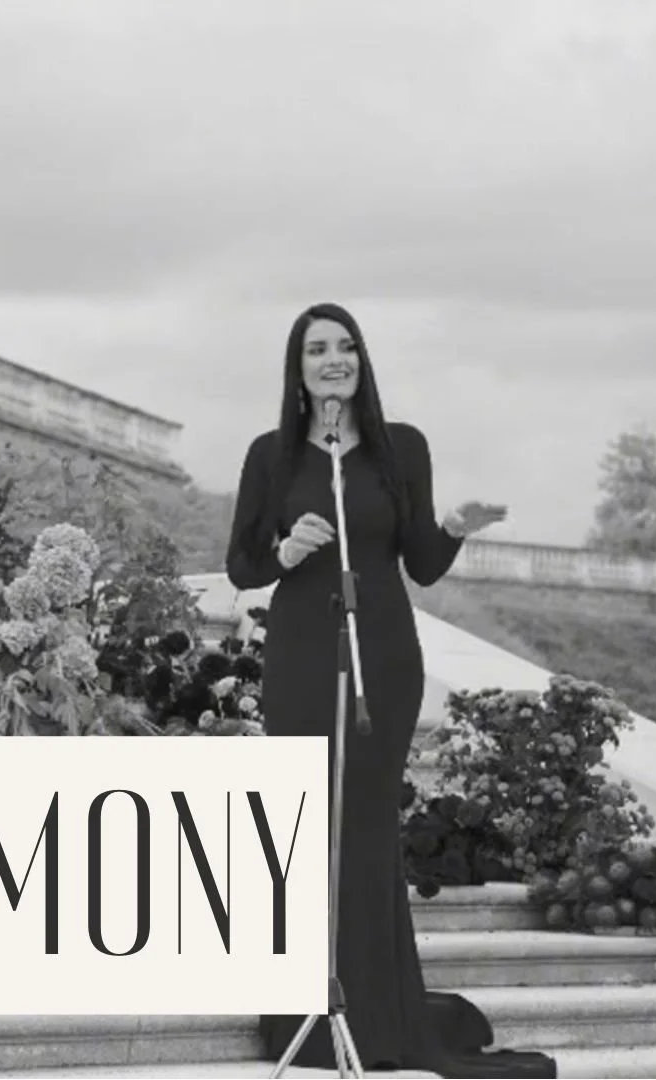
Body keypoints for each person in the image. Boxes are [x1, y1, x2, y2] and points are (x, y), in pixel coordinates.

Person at [226, 303, 554, 1077]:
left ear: (361, 361)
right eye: (317, 349)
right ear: (297, 368)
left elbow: (424, 562)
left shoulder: (398, 449)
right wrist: (285, 549)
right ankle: (299, 1016)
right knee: (309, 826)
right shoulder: (269, 456)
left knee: (366, 826)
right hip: (303, 652)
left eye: (345, 347)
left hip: (383, 657)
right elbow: (243, 566)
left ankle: (375, 1015)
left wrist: (457, 527)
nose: (333, 359)